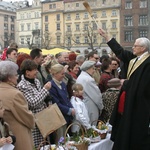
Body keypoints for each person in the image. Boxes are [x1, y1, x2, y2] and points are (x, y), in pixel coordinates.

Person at [99, 28, 150, 150]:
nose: (133, 47)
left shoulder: (147, 63)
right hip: (130, 100)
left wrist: (126, 83)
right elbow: (120, 52)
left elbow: (143, 86)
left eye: (135, 46)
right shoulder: (135, 59)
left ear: (143, 48)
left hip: (139, 104)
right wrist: (107, 37)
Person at [0, 61, 35, 150]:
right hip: (19, 133)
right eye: (16, 75)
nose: (17, 77)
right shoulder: (15, 94)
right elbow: (26, 117)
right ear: (9, 78)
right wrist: (33, 120)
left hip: (6, 135)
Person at [17, 59, 51, 148]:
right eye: (34, 70)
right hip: (34, 120)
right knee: (37, 145)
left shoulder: (36, 81)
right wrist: (45, 90)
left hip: (43, 117)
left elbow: (41, 98)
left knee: (45, 143)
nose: (36, 72)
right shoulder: (22, 86)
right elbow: (32, 103)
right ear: (27, 72)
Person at [49, 64, 75, 141]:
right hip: (58, 118)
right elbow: (56, 103)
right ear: (55, 74)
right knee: (60, 140)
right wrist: (69, 110)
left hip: (66, 116)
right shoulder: (51, 86)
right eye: (62, 74)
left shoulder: (62, 84)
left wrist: (71, 108)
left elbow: (67, 98)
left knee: (66, 139)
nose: (64, 76)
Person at [76, 60, 103, 125]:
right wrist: (101, 106)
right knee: (92, 125)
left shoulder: (81, 77)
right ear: (88, 69)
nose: (94, 71)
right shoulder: (88, 79)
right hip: (91, 105)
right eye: (93, 69)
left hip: (85, 104)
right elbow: (96, 95)